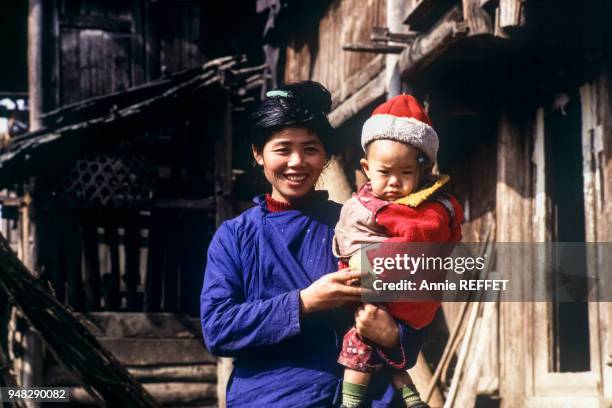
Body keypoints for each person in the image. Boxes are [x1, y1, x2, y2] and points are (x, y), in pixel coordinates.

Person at [200, 81, 424, 407]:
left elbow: (411, 311)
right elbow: (218, 329)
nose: (297, 162)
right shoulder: (234, 237)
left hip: (365, 396)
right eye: (282, 149)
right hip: (274, 398)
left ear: (326, 157)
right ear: (257, 154)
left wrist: (393, 336)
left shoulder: (363, 226)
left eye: (310, 149)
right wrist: (305, 302)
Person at [332, 95, 463, 408]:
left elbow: (436, 243)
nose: (393, 182)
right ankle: (411, 397)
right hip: (374, 292)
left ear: (421, 171)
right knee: (381, 349)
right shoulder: (361, 205)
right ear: (365, 168)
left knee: (358, 349)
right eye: (384, 172)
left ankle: (351, 404)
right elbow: (349, 239)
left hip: (403, 298)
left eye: (405, 173)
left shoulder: (431, 209)